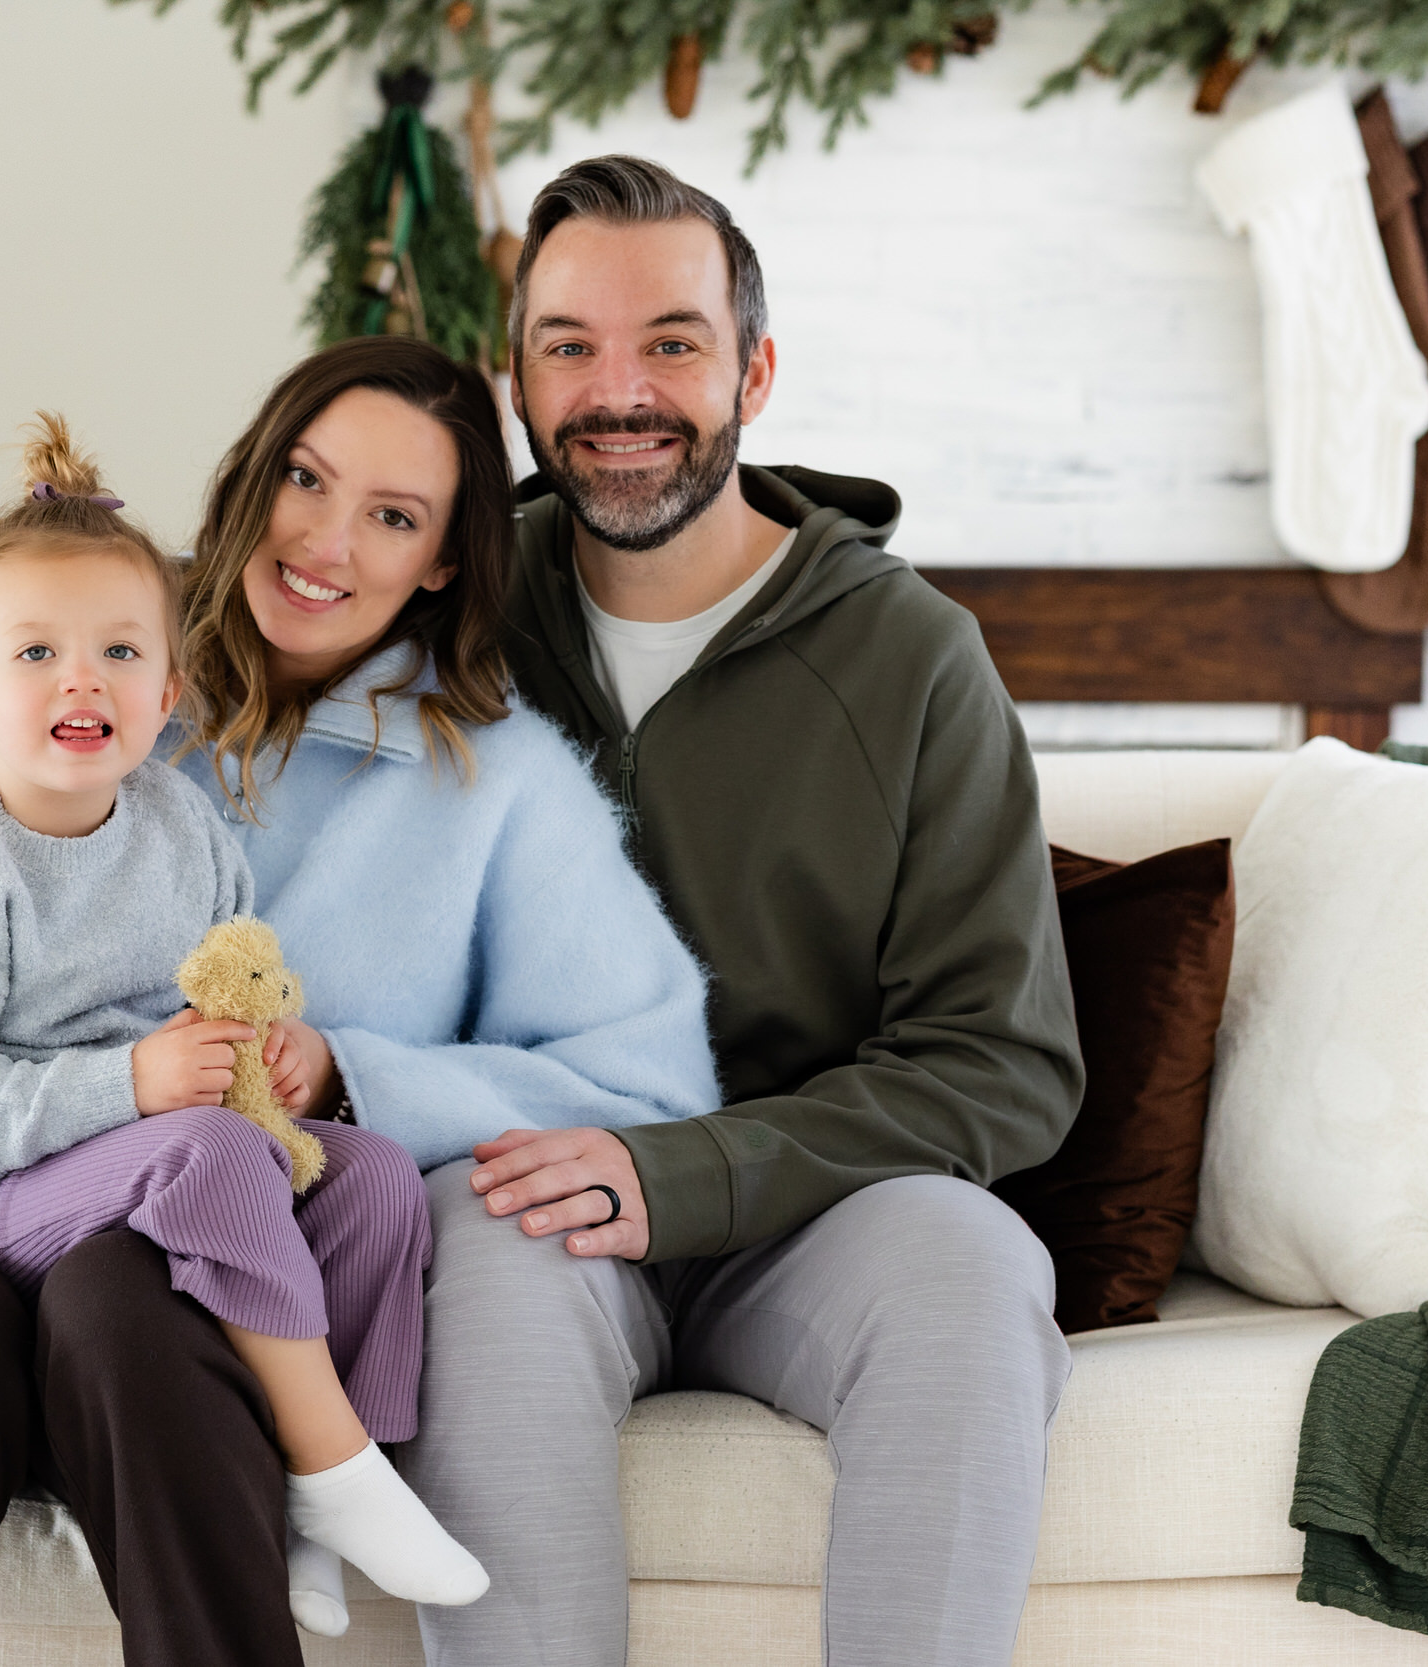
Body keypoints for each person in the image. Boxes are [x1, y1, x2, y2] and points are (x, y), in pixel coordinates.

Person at [0, 335, 719, 1667]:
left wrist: (351, 1072)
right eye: (306, 478)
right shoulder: (74, 637)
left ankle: (319, 1495)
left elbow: (648, 1075)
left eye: (394, 514)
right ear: (254, 475)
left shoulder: (502, 784)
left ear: (442, 560)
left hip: (183, 1225)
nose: (324, 538)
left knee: (135, 1315)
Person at [391, 156, 1086, 1666]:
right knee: (484, 1274)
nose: (616, 389)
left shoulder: (913, 657)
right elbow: (155, 748)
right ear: (516, 377)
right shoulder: (438, 626)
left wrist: (697, 1171)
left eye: (672, 343)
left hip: (824, 1209)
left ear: (754, 367)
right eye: (569, 344)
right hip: (529, 1194)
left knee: (975, 1270)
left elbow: (1001, 1060)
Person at [0, 412, 486, 1615]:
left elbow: (224, 987)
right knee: (209, 1148)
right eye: (34, 654)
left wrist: (269, 1055)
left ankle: (311, 1488)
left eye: (120, 652)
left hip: (154, 1156)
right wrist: (134, 1085)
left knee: (373, 1174)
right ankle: (334, 1463)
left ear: (167, 687)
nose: (82, 678)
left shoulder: (183, 829)